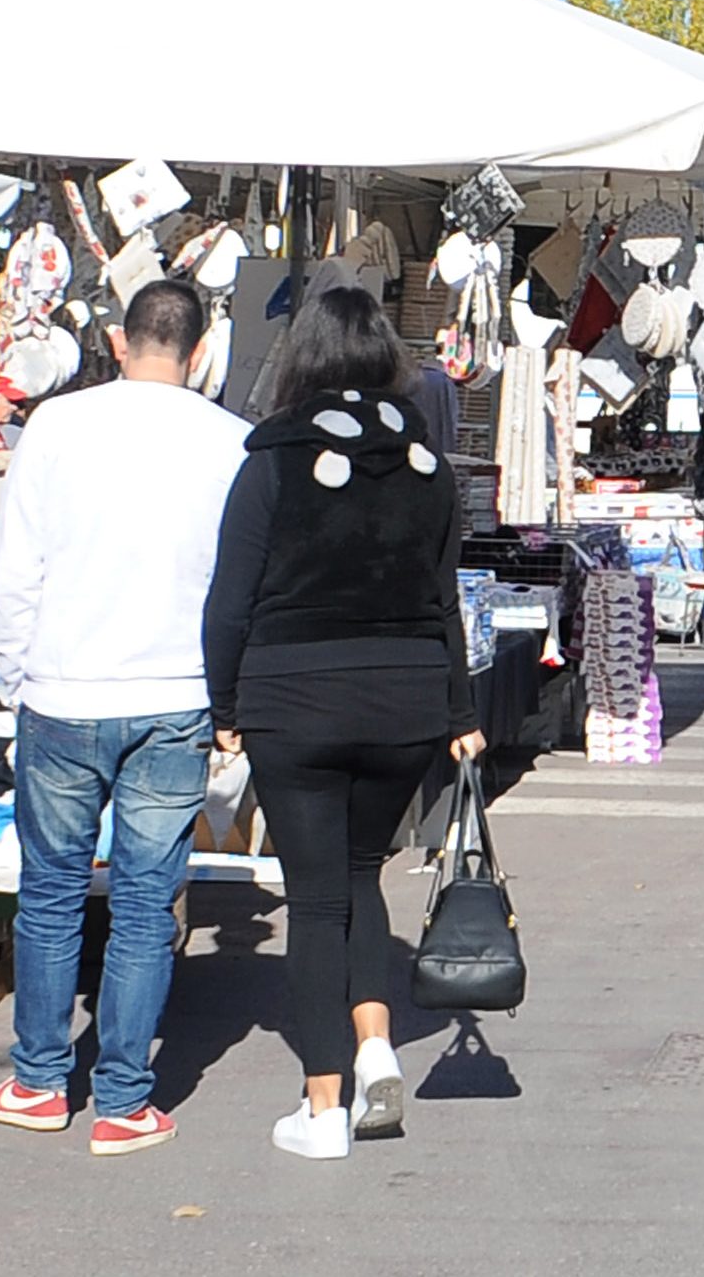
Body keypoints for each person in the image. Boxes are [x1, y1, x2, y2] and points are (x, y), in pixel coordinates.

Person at [199, 287, 485, 1160]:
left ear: (306, 359)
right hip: (406, 700)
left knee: (315, 902)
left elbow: (229, 601)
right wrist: (461, 711)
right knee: (361, 877)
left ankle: (322, 1107)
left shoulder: (272, 458)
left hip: (295, 699)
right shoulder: (431, 468)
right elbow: (445, 601)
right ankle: (372, 1046)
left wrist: (226, 708)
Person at [0, 277, 251, 1156]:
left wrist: (16, 671)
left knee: (51, 893)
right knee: (143, 900)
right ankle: (124, 1100)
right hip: (174, 693)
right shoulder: (232, 442)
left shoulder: (57, 424)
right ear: (201, 350)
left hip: (62, 689)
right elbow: (238, 588)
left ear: (117, 341)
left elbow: (15, 563)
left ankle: (37, 1080)